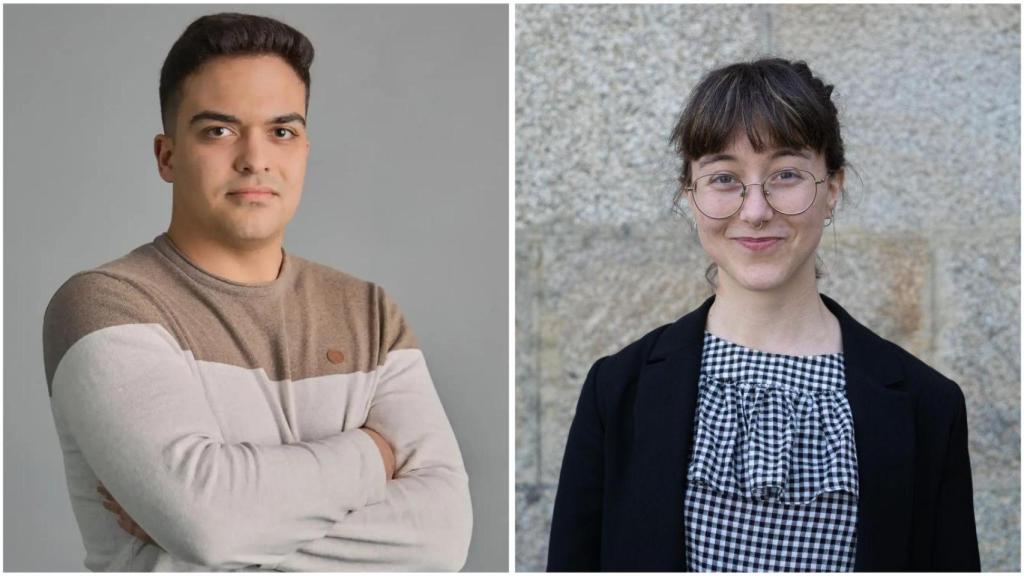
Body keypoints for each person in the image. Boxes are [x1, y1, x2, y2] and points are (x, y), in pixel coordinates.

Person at [42, 12, 472, 571]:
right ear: (166, 155)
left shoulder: (369, 313)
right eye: (218, 130)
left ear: (304, 151)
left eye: (282, 131)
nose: (255, 159)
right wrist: (373, 454)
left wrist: (222, 529)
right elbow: (211, 521)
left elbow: (441, 541)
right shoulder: (104, 304)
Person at [546, 58, 979, 572]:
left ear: (832, 187)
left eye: (786, 174)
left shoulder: (928, 406)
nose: (755, 210)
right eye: (725, 177)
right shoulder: (617, 390)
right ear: (691, 193)